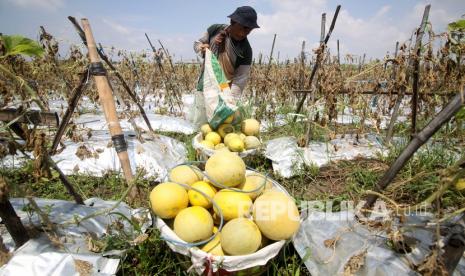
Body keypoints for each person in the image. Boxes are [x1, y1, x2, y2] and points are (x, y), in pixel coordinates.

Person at [193, 6, 259, 99]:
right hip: (204, 84)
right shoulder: (215, 29)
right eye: (242, 28)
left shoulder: (246, 50)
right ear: (232, 22)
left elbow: (239, 81)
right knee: (201, 111)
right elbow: (197, 43)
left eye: (248, 30)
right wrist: (201, 48)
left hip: (223, 92)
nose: (243, 33)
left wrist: (231, 102)